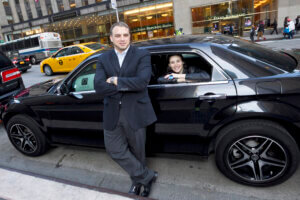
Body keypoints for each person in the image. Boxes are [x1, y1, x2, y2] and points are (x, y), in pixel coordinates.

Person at [94, 22, 158, 197]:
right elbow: (98, 86)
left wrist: (115, 80)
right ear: (111, 38)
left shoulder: (142, 54)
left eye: (125, 35)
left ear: (130, 36)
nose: (122, 39)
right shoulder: (103, 58)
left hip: (135, 111)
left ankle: (139, 182)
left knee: (138, 151)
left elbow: (143, 81)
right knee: (114, 149)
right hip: (112, 112)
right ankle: (147, 176)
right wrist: (129, 85)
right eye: (118, 35)